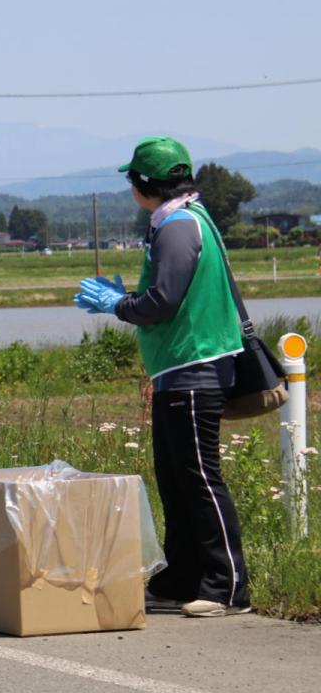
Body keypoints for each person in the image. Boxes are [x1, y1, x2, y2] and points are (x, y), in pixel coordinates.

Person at [75, 136, 251, 618]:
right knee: (175, 479)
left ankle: (228, 585)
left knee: (199, 479)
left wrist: (119, 305)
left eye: (133, 180)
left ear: (143, 185)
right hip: (180, 367)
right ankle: (180, 578)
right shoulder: (186, 218)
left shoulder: (176, 227)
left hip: (196, 368)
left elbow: (163, 302)